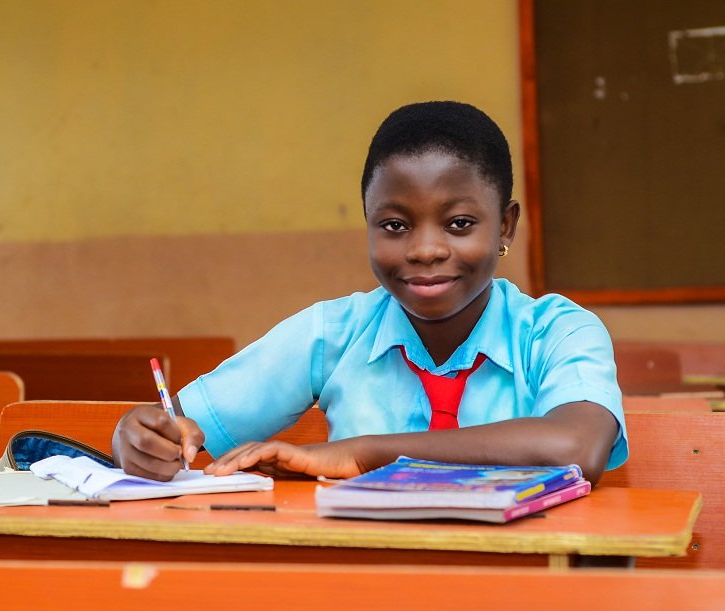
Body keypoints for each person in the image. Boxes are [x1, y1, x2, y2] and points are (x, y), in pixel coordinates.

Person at [112, 101, 627, 485]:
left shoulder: (557, 331)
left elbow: (575, 445)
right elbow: (183, 428)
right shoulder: (332, 334)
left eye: (460, 223)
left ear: (506, 227)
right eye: (395, 225)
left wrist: (364, 453)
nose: (425, 249)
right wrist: (142, 439)